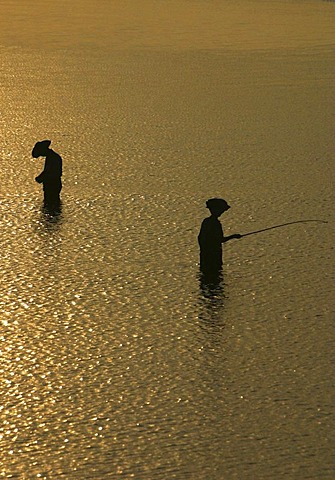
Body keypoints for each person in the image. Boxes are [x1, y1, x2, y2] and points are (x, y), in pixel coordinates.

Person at [198, 198, 241, 274]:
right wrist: (233, 236)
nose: (222, 212)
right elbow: (220, 239)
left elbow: (200, 238)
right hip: (213, 256)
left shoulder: (206, 222)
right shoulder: (214, 223)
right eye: (221, 210)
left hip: (206, 256)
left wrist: (203, 251)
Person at [32, 140, 62, 210]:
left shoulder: (53, 158)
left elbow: (49, 172)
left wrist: (40, 178)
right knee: (53, 205)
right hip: (53, 184)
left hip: (52, 185)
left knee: (51, 204)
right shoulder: (52, 157)